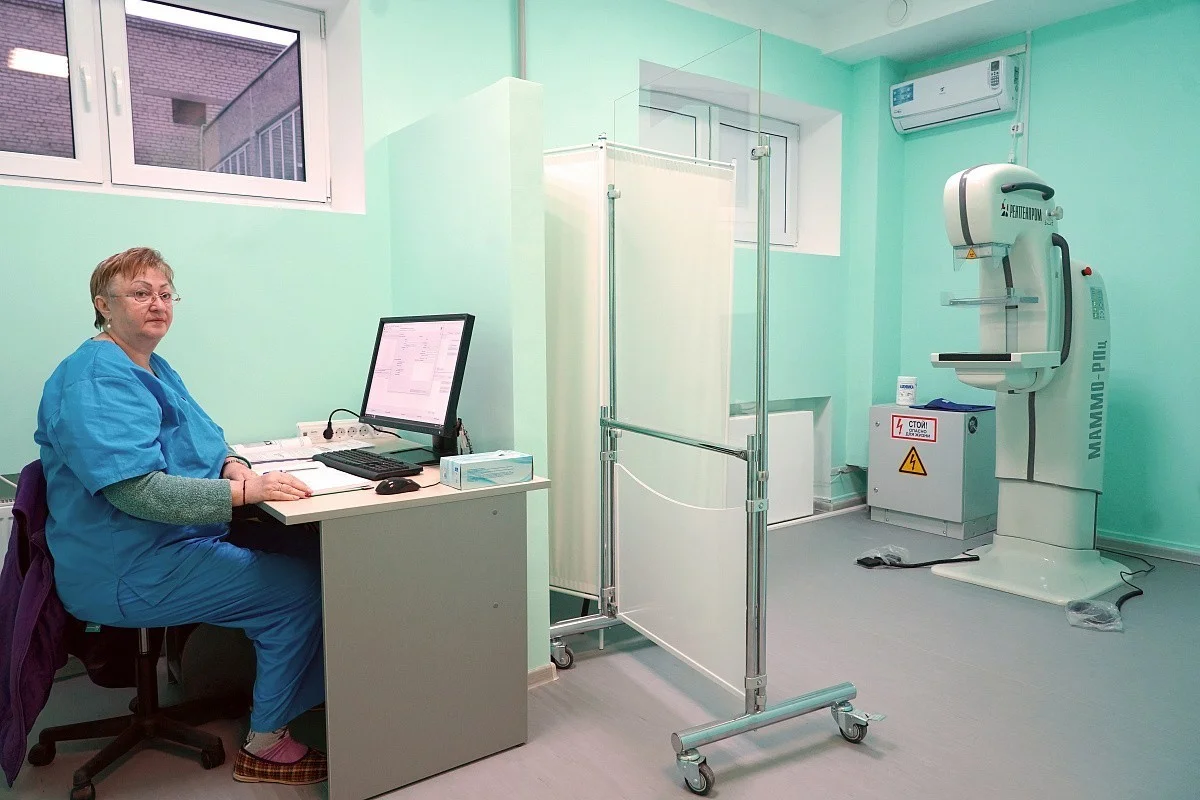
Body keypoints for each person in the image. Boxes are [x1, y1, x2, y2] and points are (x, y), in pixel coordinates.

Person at [34, 247, 327, 786]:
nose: (158, 303)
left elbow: (207, 439)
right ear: (103, 305)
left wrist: (234, 465)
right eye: (140, 293)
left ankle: (319, 694)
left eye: (166, 293)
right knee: (301, 588)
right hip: (127, 566)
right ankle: (266, 743)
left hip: (162, 544)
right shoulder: (95, 379)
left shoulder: (150, 365)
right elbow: (138, 492)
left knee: (316, 550)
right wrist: (245, 493)